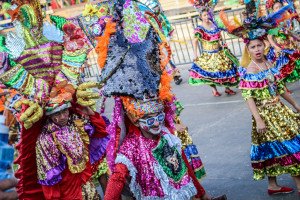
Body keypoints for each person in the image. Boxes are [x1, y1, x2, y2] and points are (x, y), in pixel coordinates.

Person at [221, 2, 300, 195]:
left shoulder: (268, 63)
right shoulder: (250, 70)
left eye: (259, 46)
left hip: (280, 110)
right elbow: (248, 97)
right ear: (248, 50)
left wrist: (296, 105)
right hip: (265, 115)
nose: (257, 49)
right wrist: (258, 119)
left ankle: (273, 185)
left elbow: (281, 88)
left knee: (271, 148)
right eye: (253, 47)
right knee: (289, 146)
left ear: (264, 46)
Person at [104, 98, 226, 200]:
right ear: (136, 123)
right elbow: (117, 178)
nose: (157, 123)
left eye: (159, 117)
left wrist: (201, 193)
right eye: (150, 120)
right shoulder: (131, 146)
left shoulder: (167, 135)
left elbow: (185, 167)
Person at [188, 1, 239, 97]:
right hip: (208, 55)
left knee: (225, 70)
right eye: (204, 15)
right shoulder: (200, 28)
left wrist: (224, 44)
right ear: (201, 17)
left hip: (220, 52)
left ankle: (227, 88)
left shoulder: (214, 24)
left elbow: (220, 37)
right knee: (209, 73)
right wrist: (195, 54)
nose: (207, 16)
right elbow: (195, 41)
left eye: (208, 14)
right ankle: (214, 89)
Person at [266, 0, 300, 93]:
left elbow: (290, 33)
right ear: (273, 11)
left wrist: (298, 38)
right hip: (279, 49)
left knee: (295, 63)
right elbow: (270, 38)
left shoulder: (286, 21)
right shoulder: (272, 24)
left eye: (280, 7)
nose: (279, 9)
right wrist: (276, 47)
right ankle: (284, 88)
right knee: (281, 69)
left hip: (288, 47)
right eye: (276, 8)